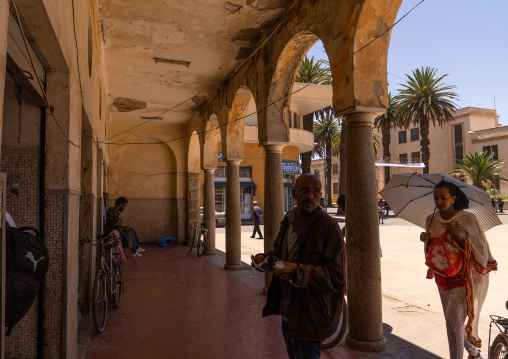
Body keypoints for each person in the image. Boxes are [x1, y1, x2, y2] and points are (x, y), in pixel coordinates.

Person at [253, 174, 345, 359]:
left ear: (320, 195)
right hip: (289, 310)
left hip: (311, 314)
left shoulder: (328, 227)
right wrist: (266, 258)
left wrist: (296, 270)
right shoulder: (289, 220)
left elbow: (337, 277)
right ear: (294, 194)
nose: (310, 196)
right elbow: (281, 254)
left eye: (315, 192)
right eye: (304, 190)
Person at [420, 180, 497, 359]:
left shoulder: (467, 219)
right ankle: (474, 353)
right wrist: (427, 240)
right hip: (443, 275)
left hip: (466, 277)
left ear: (453, 198)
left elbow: (480, 250)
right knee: (454, 323)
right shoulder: (430, 219)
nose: (439, 202)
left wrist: (458, 237)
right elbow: (433, 251)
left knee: (452, 322)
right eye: (436, 198)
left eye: (443, 198)